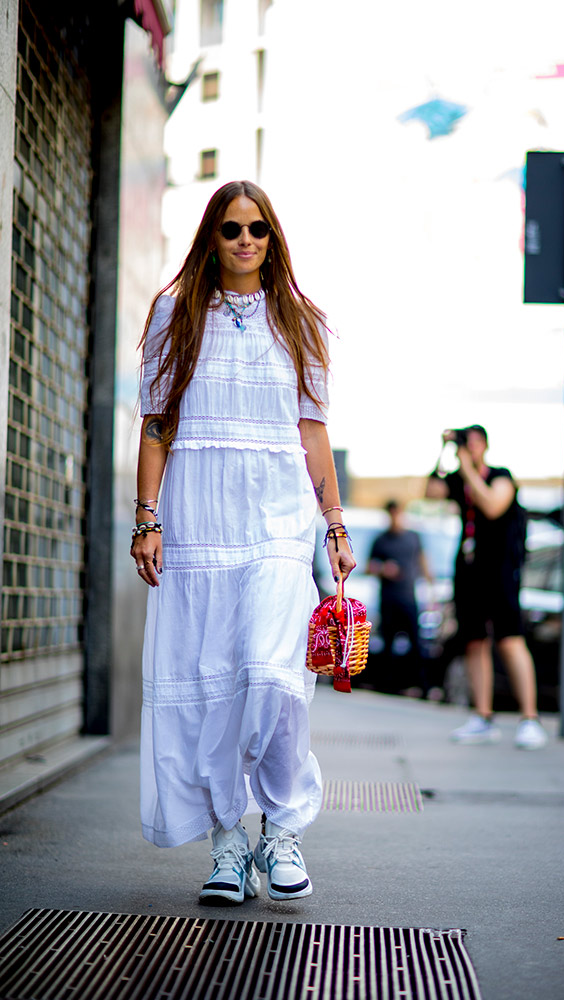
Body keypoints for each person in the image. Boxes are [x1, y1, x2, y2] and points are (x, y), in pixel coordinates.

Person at [131, 180, 356, 907]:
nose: (245, 240)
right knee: (213, 690)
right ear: (212, 236)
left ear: (273, 237)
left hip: (277, 526)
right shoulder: (175, 312)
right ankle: (227, 841)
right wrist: (147, 517)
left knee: (274, 680)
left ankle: (282, 829)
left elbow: (312, 430)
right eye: (231, 228)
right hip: (199, 526)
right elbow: (158, 424)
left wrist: (335, 526)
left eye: (257, 228)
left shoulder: (300, 320)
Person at [427, 426, 548, 749]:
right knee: (474, 642)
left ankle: (530, 718)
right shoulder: (457, 477)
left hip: (501, 573)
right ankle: (482, 716)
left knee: (510, 640)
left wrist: (467, 468)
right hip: (469, 572)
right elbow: (431, 492)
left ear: (486, 446)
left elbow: (493, 505)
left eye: (475, 442)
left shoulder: (500, 476)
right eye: (467, 442)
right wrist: (443, 453)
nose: (471, 448)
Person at [367, 501, 433, 695]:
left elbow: (423, 560)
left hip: (409, 598)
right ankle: (388, 685)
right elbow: (369, 566)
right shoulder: (381, 540)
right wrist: (383, 569)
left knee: (416, 643)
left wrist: (430, 582)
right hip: (388, 600)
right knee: (388, 644)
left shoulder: (413, 538)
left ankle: (422, 686)